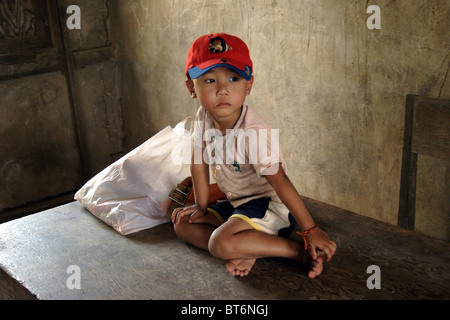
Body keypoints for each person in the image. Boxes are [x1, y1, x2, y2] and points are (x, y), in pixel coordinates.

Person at [172, 33, 336, 278]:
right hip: (239, 204)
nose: (223, 90)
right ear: (191, 88)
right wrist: (201, 206)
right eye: (209, 80)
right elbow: (199, 162)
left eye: (233, 78)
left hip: (271, 207)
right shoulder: (203, 116)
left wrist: (310, 229)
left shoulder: (252, 131)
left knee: (219, 244)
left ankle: (294, 251)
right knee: (183, 225)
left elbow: (280, 181)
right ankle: (248, 248)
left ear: (248, 85)